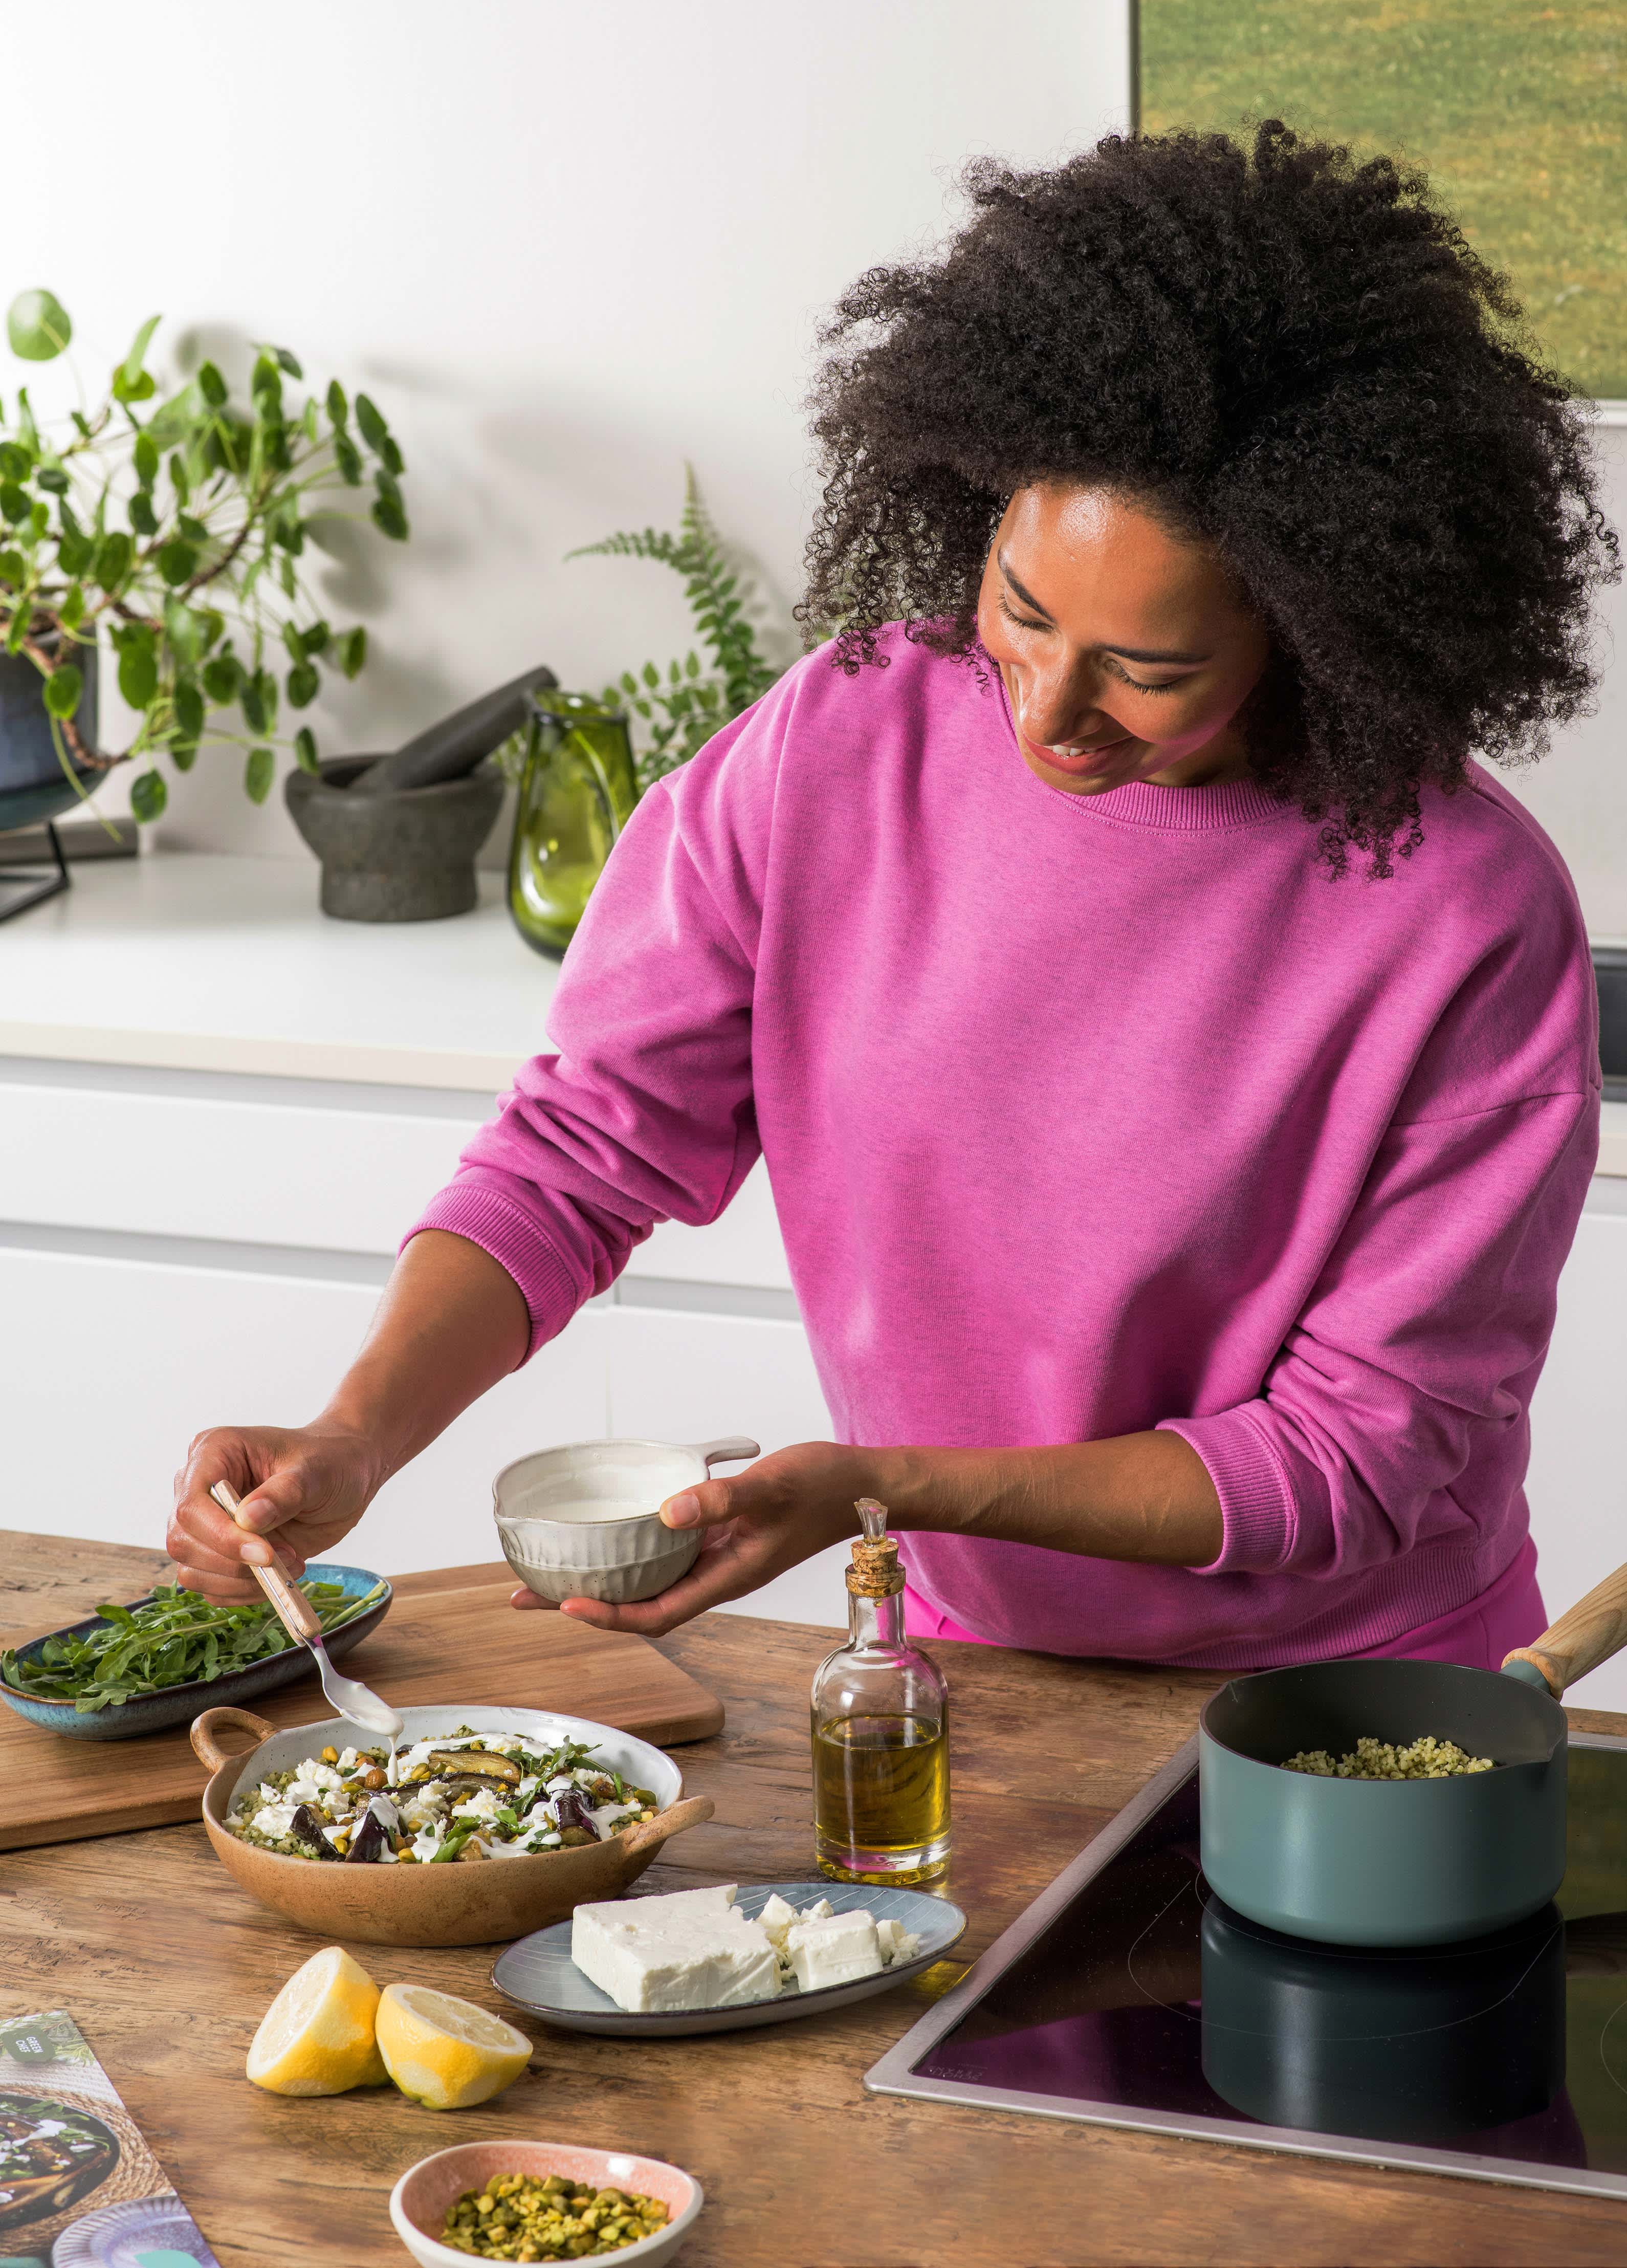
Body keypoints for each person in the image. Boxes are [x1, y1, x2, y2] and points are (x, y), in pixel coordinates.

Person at [168, 122, 1616, 1673]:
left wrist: (887, 1487)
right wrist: (355, 1435)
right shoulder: (838, 741)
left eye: (1150, 669)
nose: (1050, 710)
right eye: (1020, 609)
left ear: (1318, 626)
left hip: (1352, 1713)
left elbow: (1356, 1453)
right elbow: (583, 1148)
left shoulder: (1463, 920)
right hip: (972, 1668)